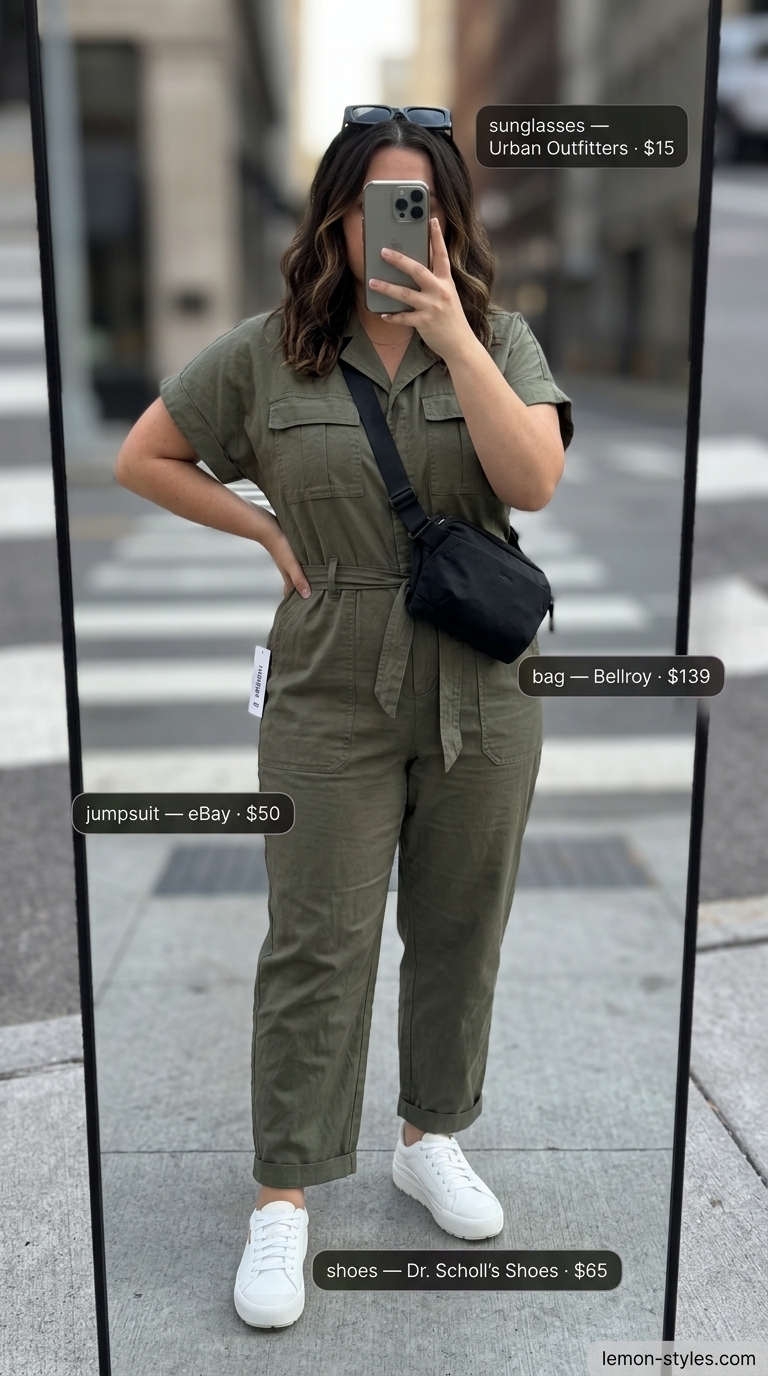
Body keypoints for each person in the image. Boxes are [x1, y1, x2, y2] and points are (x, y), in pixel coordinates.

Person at [114, 104, 573, 1330]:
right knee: (316, 939)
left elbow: (529, 479)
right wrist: (264, 524)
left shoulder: (506, 338)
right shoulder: (270, 353)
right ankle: (284, 1195)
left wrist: (457, 337)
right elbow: (144, 457)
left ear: (452, 218)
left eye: (422, 202)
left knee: (461, 923)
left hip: (483, 677)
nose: (399, 225)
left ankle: (431, 1134)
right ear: (337, 212)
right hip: (327, 682)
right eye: (380, 201)